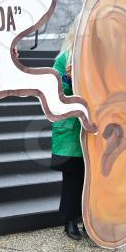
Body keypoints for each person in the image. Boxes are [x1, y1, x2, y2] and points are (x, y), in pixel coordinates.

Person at [50, 24, 85, 240]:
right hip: (72, 128)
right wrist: (71, 81)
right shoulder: (64, 59)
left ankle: (90, 220)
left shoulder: (101, 59)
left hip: (95, 129)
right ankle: (70, 220)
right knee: (73, 176)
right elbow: (55, 93)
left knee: (94, 178)